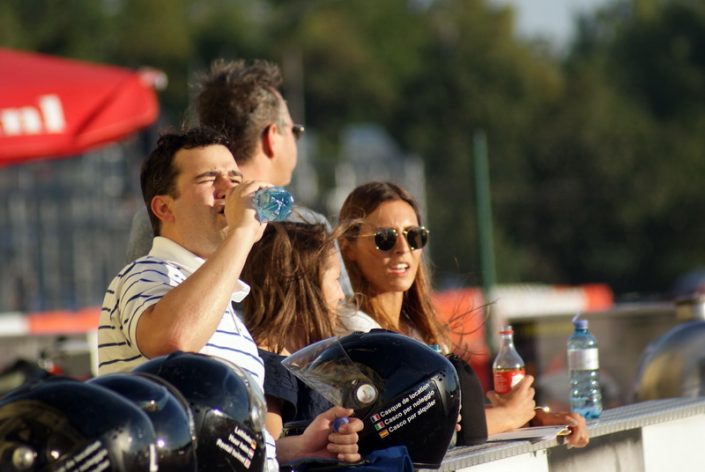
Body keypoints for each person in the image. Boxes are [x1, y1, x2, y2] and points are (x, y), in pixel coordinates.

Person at [98, 128, 363, 469]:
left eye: (235, 177)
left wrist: (296, 449)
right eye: (209, 178)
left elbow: (224, 444)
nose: (230, 188)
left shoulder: (221, 303)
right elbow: (174, 340)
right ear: (164, 208)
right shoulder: (145, 274)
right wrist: (241, 233)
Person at [337, 181, 589, 448]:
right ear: (348, 248)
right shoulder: (354, 331)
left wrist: (531, 418)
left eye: (414, 236)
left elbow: (453, 419)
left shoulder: (418, 330)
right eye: (384, 238)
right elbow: (406, 427)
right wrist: (508, 416)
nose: (403, 248)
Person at [126, 59, 352, 296]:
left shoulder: (158, 218)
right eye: (295, 131)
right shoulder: (305, 226)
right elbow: (341, 311)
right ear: (272, 137)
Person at [239, 222, 351, 440]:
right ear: (303, 290)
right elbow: (269, 450)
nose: (342, 295)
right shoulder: (267, 369)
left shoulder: (308, 361)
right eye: (336, 280)